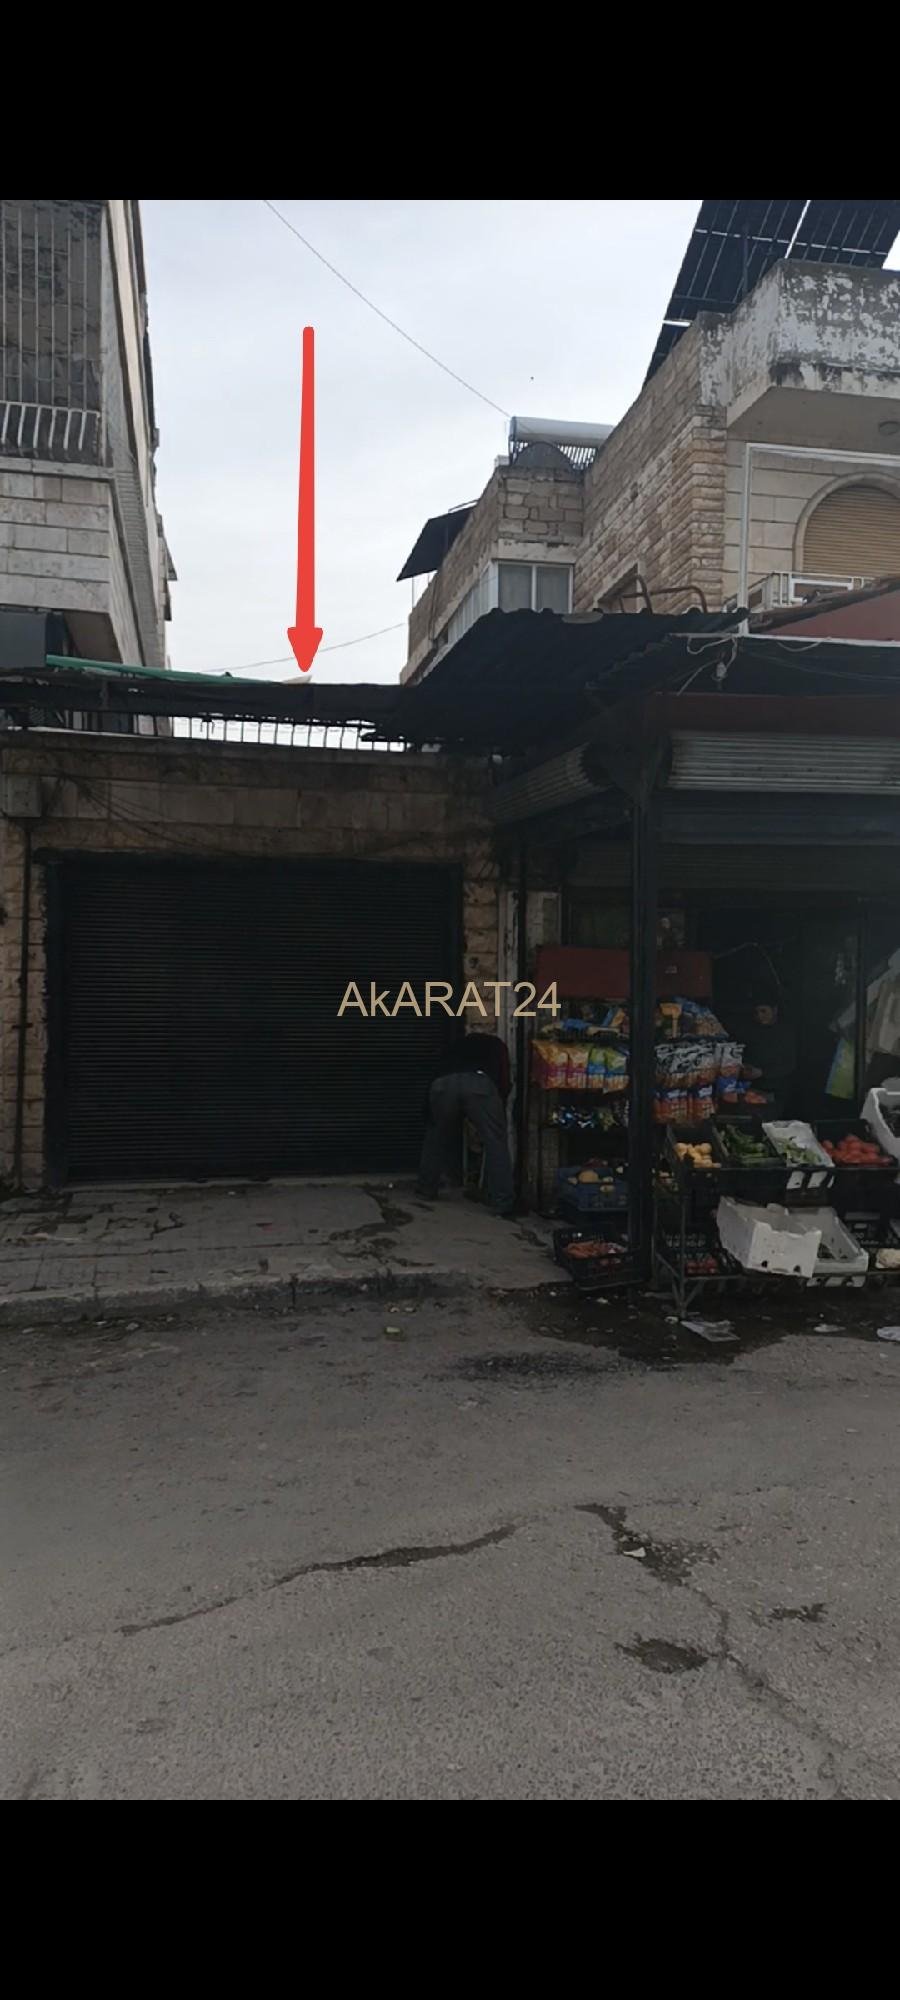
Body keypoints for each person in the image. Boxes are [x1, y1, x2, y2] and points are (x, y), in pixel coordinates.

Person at [416, 1031, 515, 1216]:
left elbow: (435, 1074)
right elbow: (503, 1079)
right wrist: (497, 1107)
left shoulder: (455, 1045)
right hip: (479, 1083)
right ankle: (503, 1201)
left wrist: (428, 1114)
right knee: (495, 1142)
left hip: (443, 1084)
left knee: (435, 1137)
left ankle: (426, 1188)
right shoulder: (498, 1045)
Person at [742, 996, 797, 1118]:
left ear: (775, 1010)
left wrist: (762, 1072)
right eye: (756, 1012)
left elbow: (789, 1064)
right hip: (754, 1089)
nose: (760, 1016)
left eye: (763, 1011)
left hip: (777, 1090)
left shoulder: (785, 1032)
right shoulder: (752, 1031)